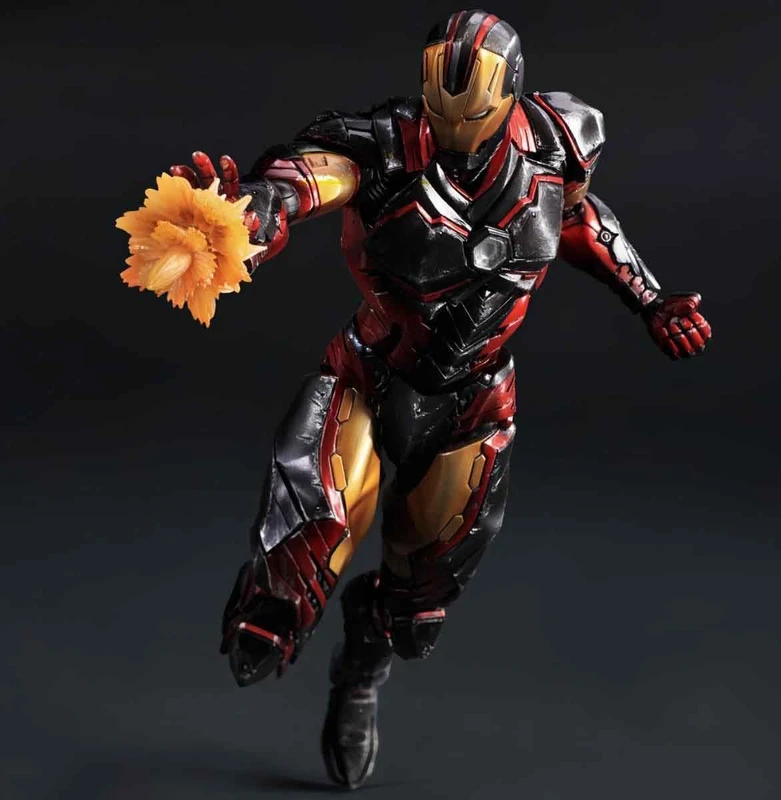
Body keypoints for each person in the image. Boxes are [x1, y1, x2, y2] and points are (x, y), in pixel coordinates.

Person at [165, 9, 711, 789]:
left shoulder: (557, 142)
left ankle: (358, 676)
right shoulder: (386, 146)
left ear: (510, 97)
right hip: (370, 375)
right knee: (288, 580)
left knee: (415, 613)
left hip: (473, 402)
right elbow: (311, 177)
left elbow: (576, 218)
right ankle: (276, 600)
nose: (454, 140)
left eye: (474, 123)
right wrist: (251, 209)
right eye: (441, 118)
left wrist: (648, 296)